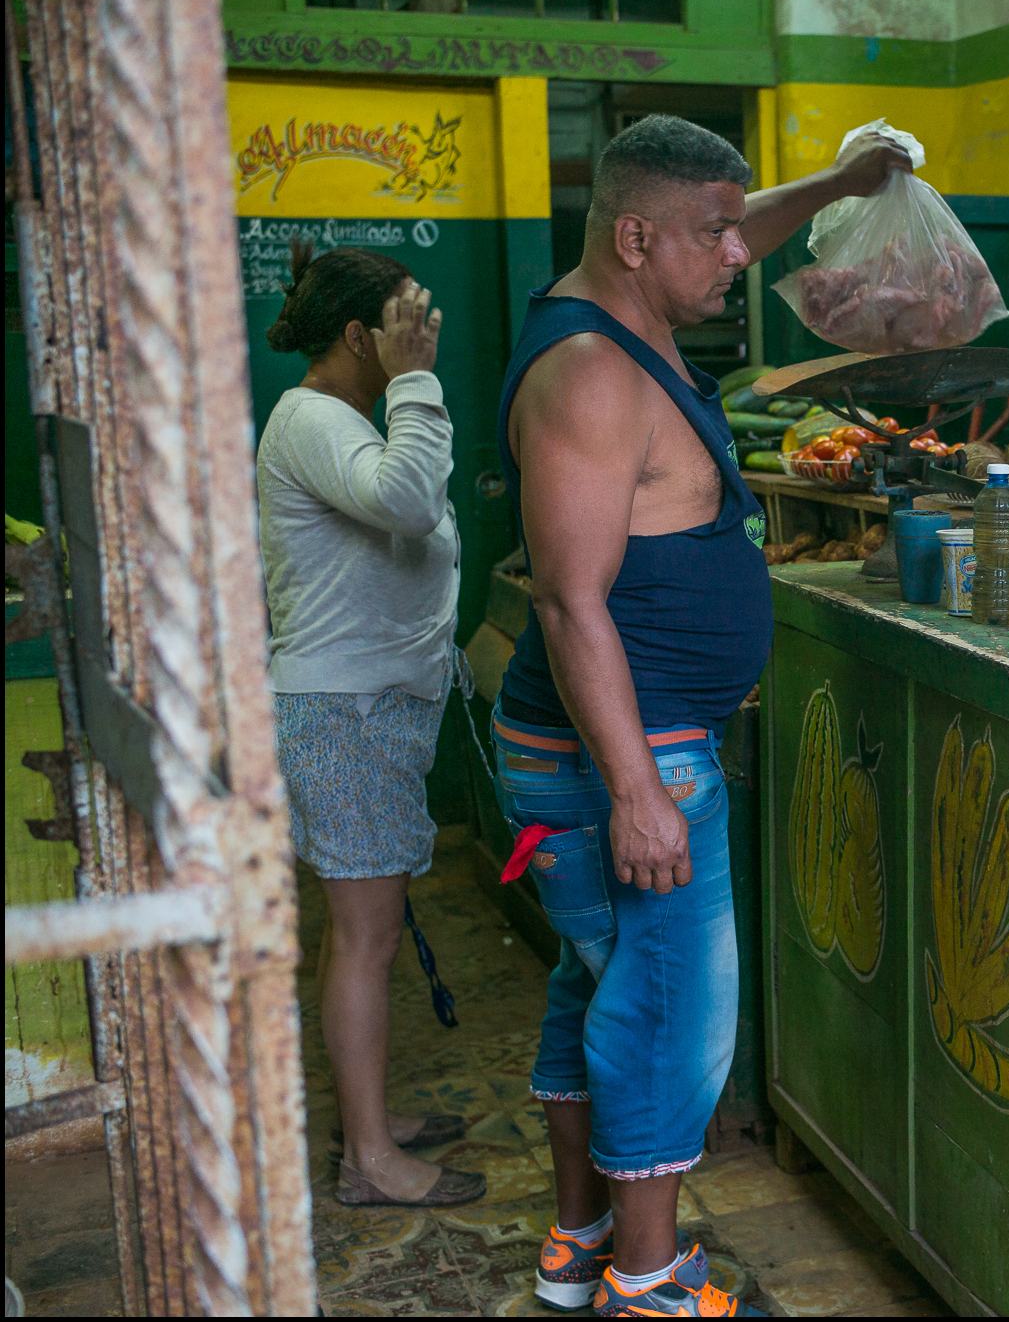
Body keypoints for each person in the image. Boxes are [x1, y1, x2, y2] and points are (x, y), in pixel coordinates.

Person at [492, 116, 911, 1317]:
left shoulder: (630, 309)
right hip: (629, 756)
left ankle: (579, 1244)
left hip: (635, 744)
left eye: (739, 227)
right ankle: (651, 1282)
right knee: (668, 1011)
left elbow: (726, 222)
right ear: (637, 237)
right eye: (717, 234)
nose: (742, 253)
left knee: (601, 981)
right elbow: (571, 604)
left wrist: (843, 180)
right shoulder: (592, 373)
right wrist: (634, 790)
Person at [256, 245, 484, 1207]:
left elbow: (405, 516)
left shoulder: (341, 421)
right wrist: (421, 380)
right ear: (360, 335)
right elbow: (406, 498)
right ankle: (368, 1163)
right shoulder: (312, 417)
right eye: (405, 322)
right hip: (341, 709)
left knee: (367, 931)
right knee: (364, 938)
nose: (422, 335)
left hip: (372, 703)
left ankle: (368, 1120)